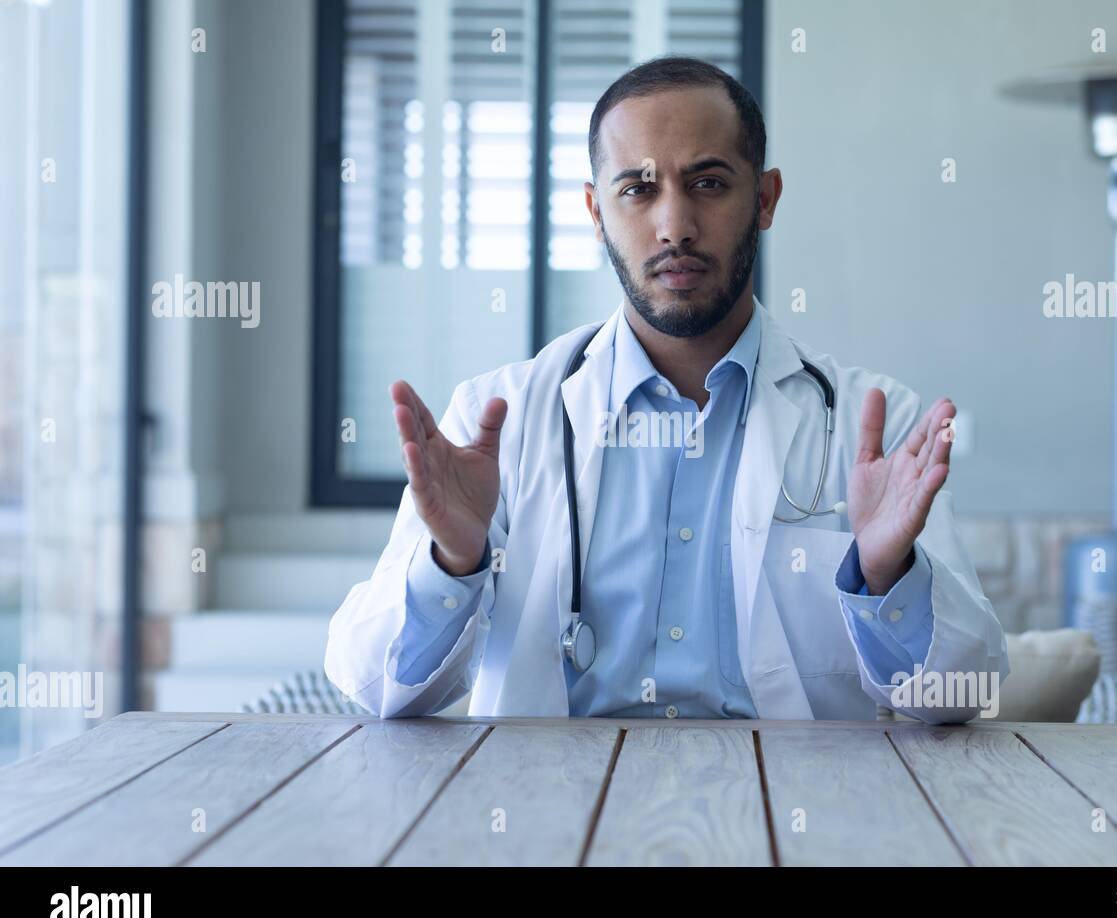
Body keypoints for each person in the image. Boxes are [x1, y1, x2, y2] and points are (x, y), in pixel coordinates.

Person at [325, 56, 1008, 723]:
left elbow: (963, 693)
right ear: (596, 212)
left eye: (708, 183)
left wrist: (888, 577)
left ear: (764, 200)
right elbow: (377, 686)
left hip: (795, 817)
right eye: (637, 189)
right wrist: (454, 562)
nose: (674, 226)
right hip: (551, 818)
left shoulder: (872, 426)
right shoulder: (497, 422)